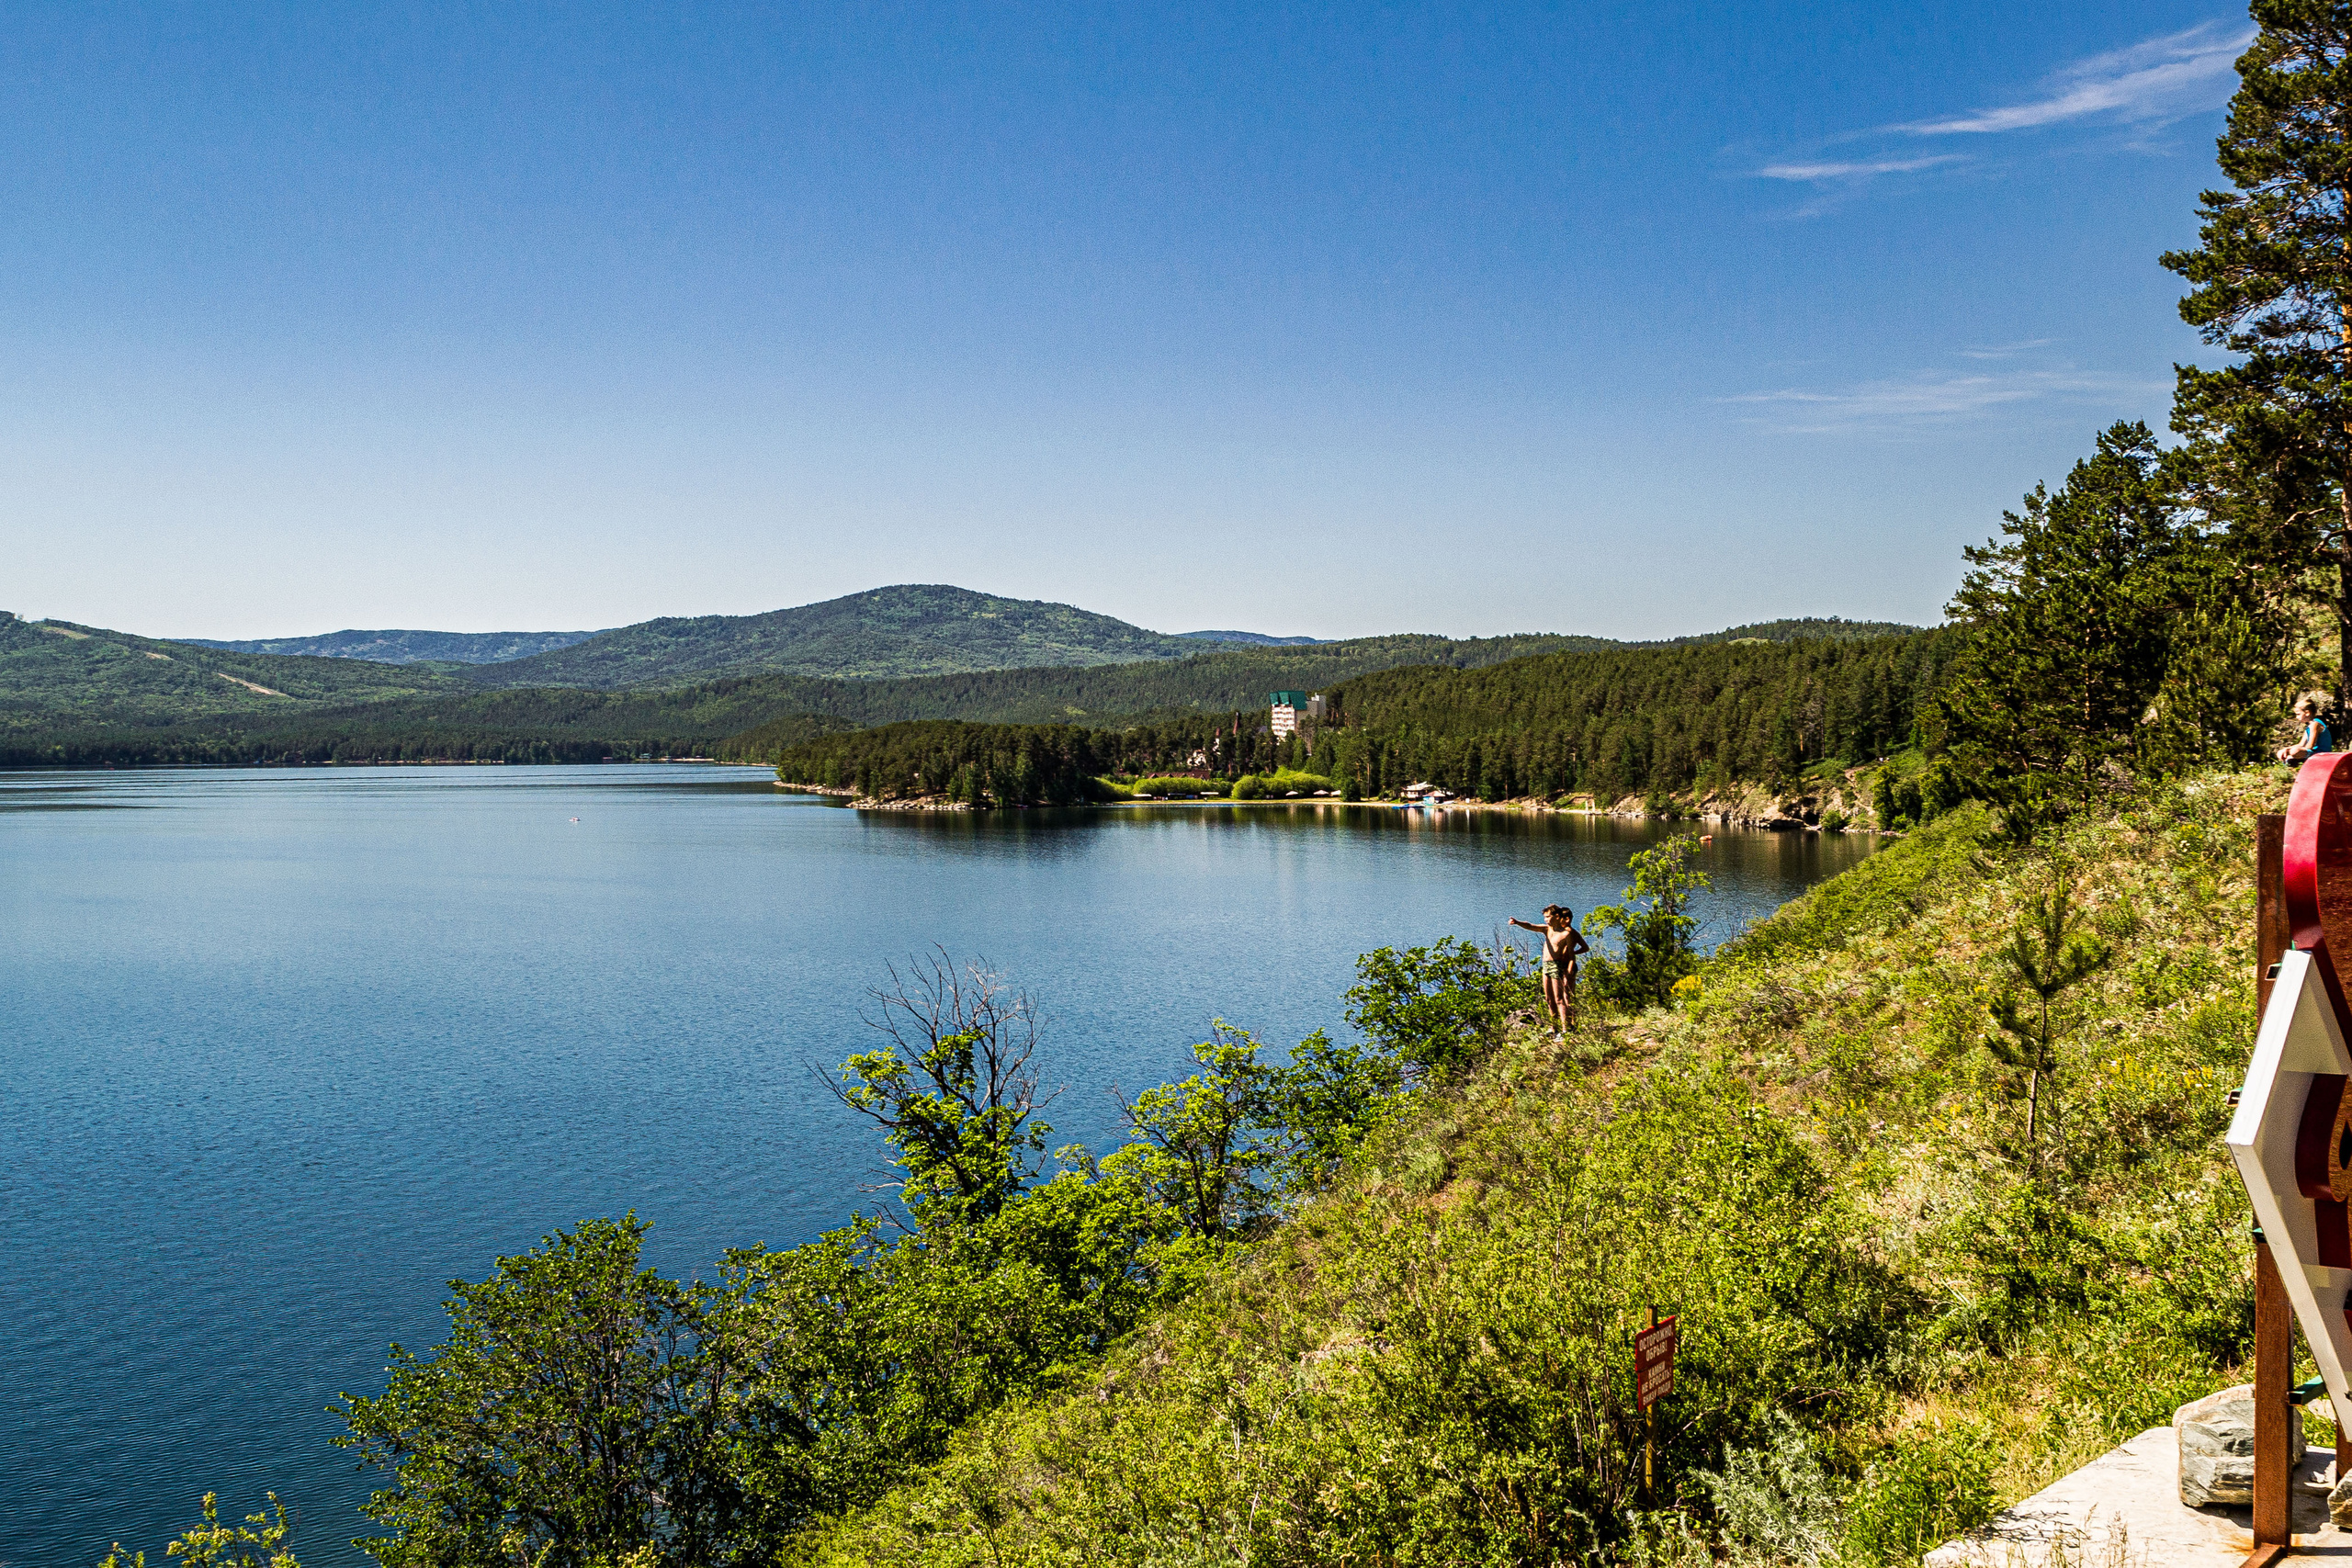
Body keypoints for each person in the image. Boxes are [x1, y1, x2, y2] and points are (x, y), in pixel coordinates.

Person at [1510, 904, 1591, 1034]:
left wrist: (1570, 969)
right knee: (1549, 998)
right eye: (1545, 917)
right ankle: (1554, 1027)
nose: (1546, 920)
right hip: (1546, 966)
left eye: (1548, 917)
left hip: (1557, 966)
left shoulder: (1566, 934)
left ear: (1557, 916)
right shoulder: (1547, 930)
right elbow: (1530, 926)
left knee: (1560, 998)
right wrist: (1517, 922)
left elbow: (1571, 955)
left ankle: (1566, 1029)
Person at [2278, 694, 2336, 765]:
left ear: (2307, 713)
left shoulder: (2315, 724)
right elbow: (2301, 744)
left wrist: (2291, 751)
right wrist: (2287, 749)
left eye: (2298, 714)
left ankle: (2299, 760)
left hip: (2321, 753)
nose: (2297, 717)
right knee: (2281, 752)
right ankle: (2293, 760)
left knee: (2295, 751)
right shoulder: (2309, 726)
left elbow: (2310, 746)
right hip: (2313, 752)